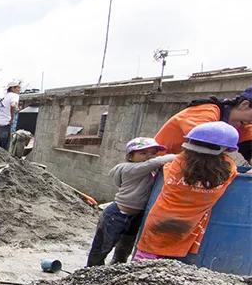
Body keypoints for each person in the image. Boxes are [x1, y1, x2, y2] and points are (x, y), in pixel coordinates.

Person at [135, 121, 238, 261]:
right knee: (169, 265)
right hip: (187, 226)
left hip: (160, 220)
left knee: (143, 260)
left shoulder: (180, 162)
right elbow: (232, 174)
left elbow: (167, 171)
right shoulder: (228, 169)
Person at [85, 138, 176, 267]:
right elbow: (157, 161)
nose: (148, 157)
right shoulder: (129, 169)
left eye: (153, 153)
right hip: (116, 215)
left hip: (136, 216)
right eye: (143, 153)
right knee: (103, 247)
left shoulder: (150, 170)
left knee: (125, 247)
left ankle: (116, 269)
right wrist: (183, 156)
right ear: (130, 156)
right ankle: (90, 271)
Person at [154, 87, 252, 162]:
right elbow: (203, 147)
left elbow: (249, 147)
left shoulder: (242, 124)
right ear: (244, 105)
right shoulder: (205, 112)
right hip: (156, 166)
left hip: (187, 168)